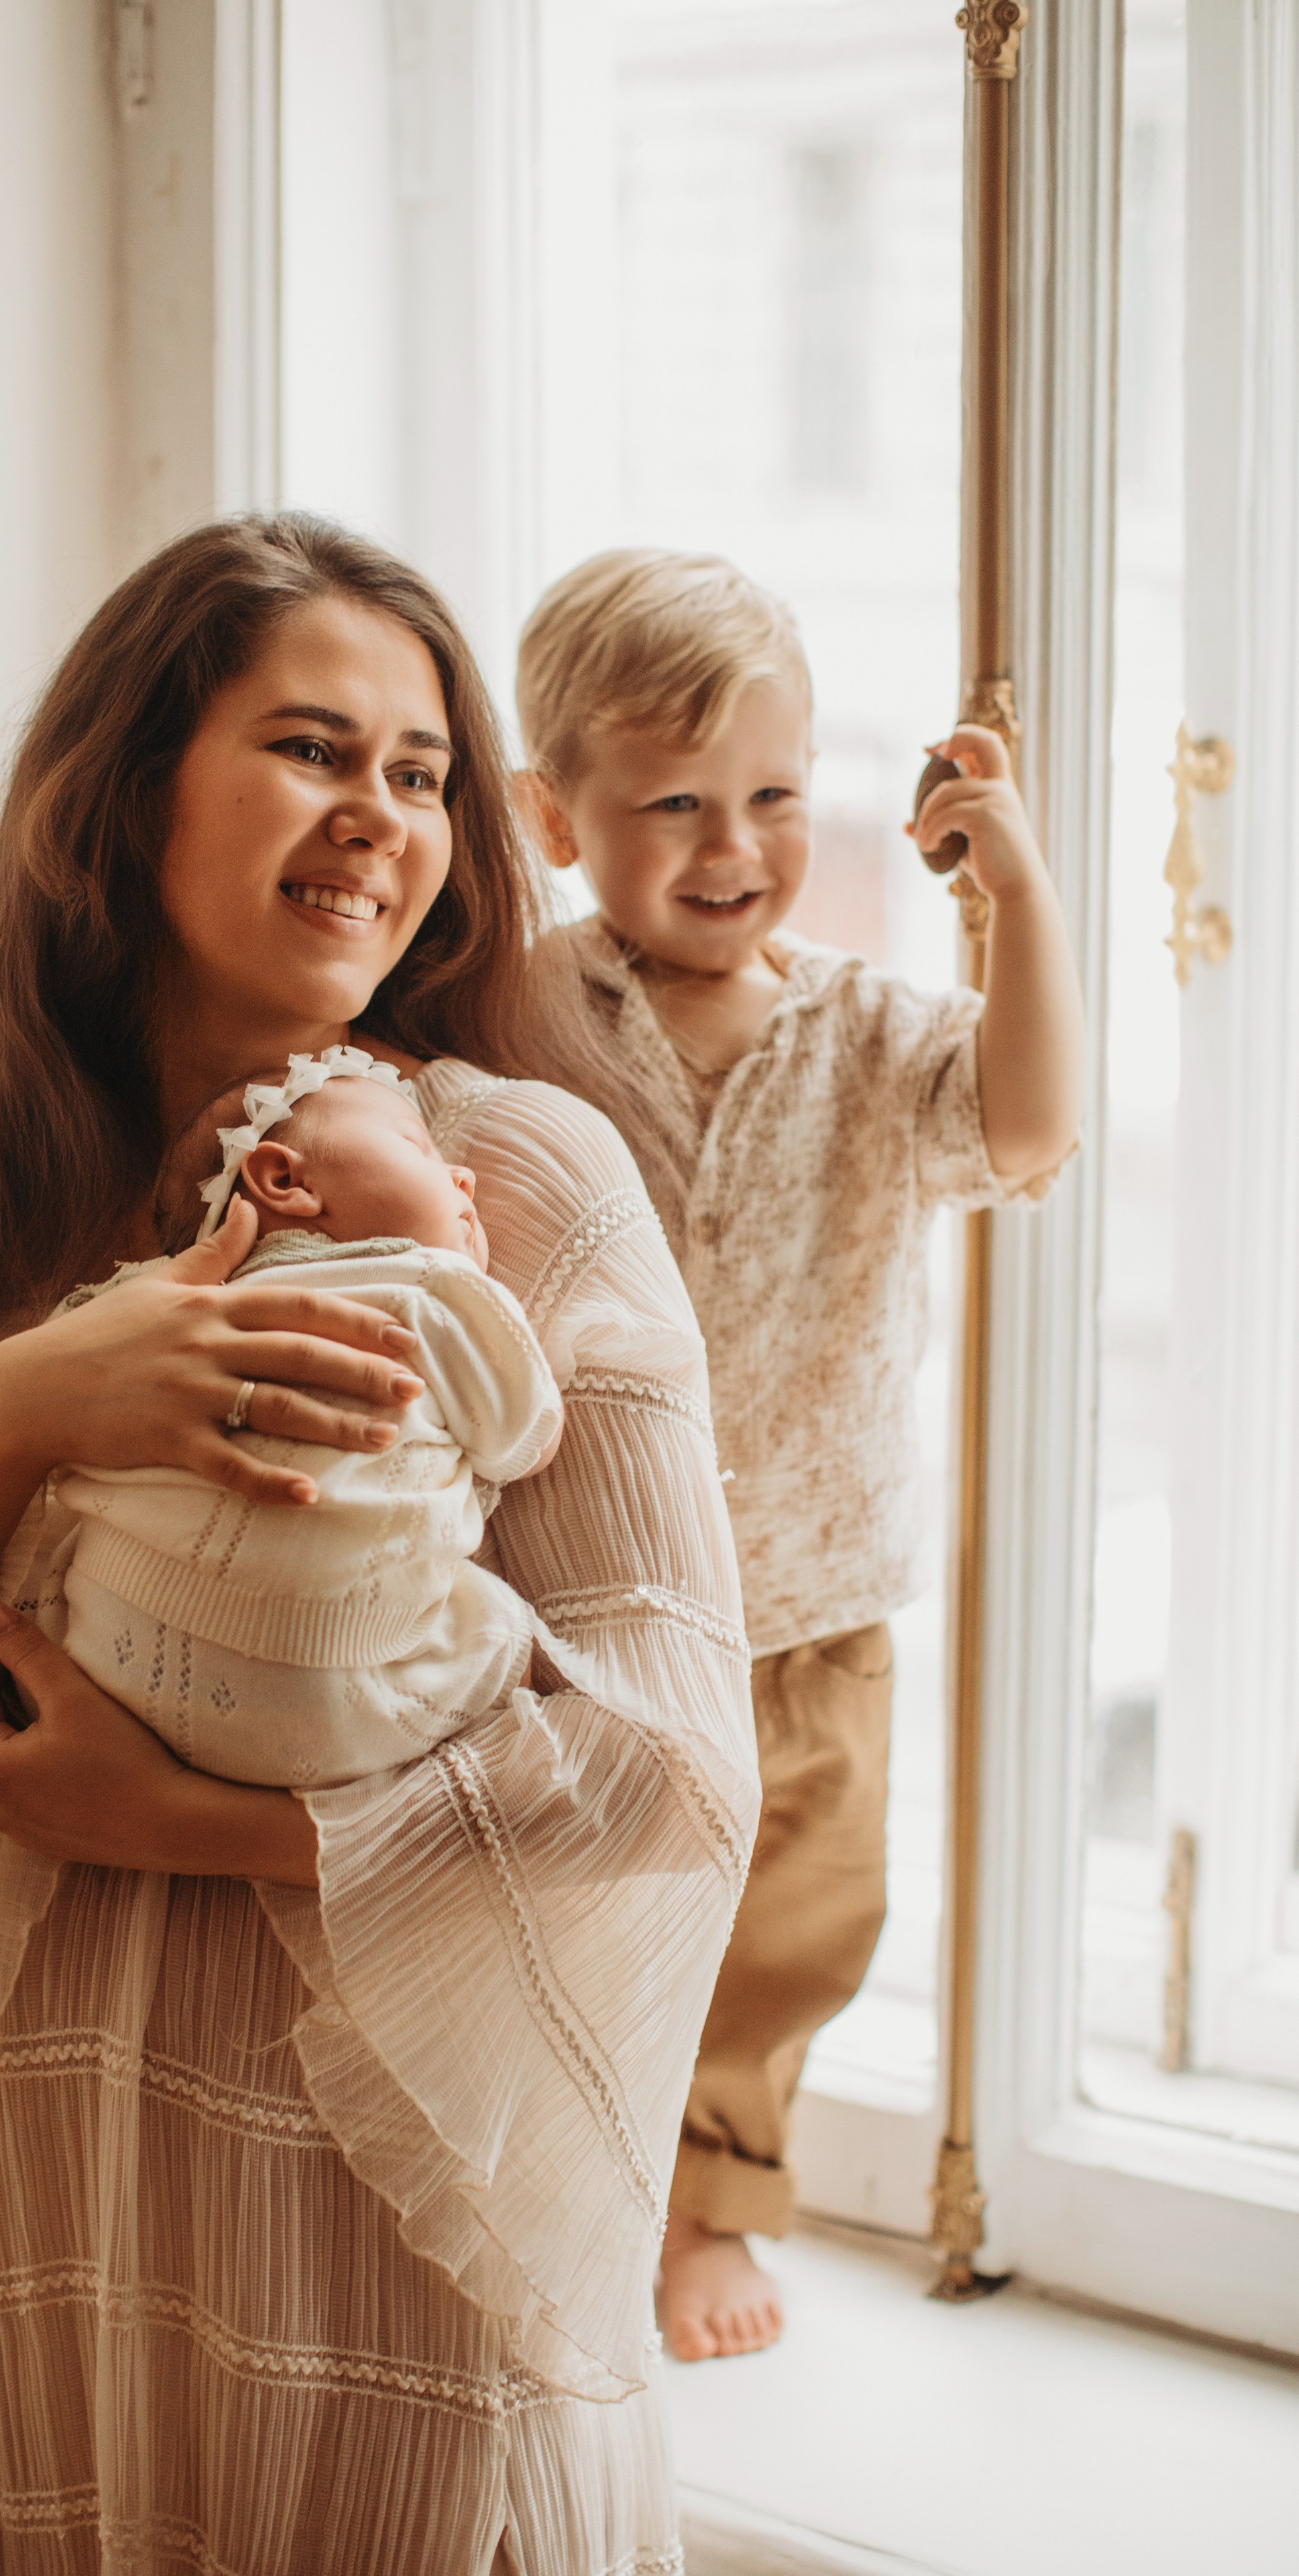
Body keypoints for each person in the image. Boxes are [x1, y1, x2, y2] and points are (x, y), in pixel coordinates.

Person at [0, 515, 759, 2573]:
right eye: (315, 747)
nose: (380, 816)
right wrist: (11, 1419)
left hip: (353, 2248)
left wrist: (184, 1810)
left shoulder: (515, 1175)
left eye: (420, 773)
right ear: (126, 789)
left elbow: (670, 1766)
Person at [515, 547, 1082, 2363]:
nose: (728, 842)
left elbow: (1034, 1126)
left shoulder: (867, 1031)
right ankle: (563, 2190)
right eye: (669, 803)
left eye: (768, 795)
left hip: (818, 1601)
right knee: (578, 1912)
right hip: (580, 1590)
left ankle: (711, 2210)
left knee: (794, 1928)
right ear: (554, 815)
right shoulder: (522, 1015)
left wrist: (1021, 889)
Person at [42, 1043, 564, 1788]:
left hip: (111, 1659)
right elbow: (526, 1440)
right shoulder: (427, 1290)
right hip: (342, 1687)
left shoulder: (148, 1305)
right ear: (284, 1179)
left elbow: (59, 1370)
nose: (464, 1175)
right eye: (416, 1146)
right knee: (496, 1621)